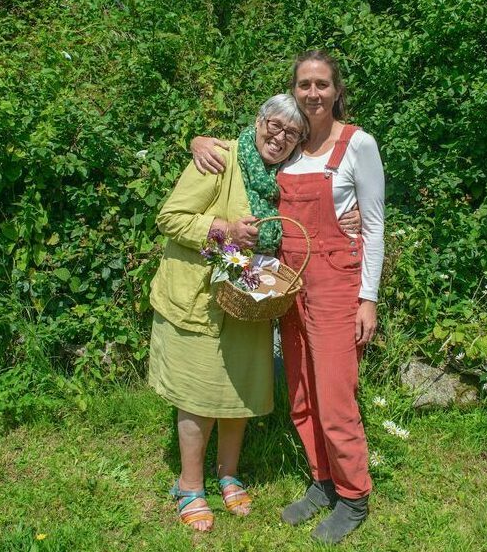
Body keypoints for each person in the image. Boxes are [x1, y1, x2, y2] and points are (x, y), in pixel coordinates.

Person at [190, 50, 385, 544]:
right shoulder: (291, 149)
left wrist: (369, 299)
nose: (313, 93)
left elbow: (375, 226)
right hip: (290, 285)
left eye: (322, 84)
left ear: (337, 90)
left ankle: (354, 495)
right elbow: (240, 149)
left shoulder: (357, 144)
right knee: (299, 389)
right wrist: (197, 141)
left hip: (338, 285)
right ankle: (322, 481)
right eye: (304, 84)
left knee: (335, 395)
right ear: (294, 90)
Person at [149, 93, 308, 532]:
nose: (278, 136)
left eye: (290, 133)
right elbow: (171, 217)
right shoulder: (219, 157)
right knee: (198, 397)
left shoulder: (285, 177)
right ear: (258, 121)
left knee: (237, 393)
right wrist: (224, 231)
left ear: (297, 142)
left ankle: (228, 473)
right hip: (201, 299)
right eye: (273, 124)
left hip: (249, 302)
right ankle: (189, 485)